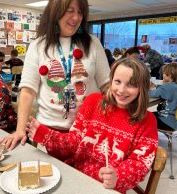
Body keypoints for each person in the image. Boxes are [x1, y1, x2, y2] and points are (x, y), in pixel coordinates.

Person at [0, 0, 110, 149]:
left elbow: (107, 87)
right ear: (56, 12)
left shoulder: (93, 43)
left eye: (80, 12)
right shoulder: (39, 45)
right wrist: (20, 129)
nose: (76, 18)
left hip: (87, 131)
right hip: (47, 131)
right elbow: (27, 92)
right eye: (69, 11)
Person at [26, 58, 158, 194]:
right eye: (117, 82)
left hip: (107, 188)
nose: (121, 90)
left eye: (131, 85)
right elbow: (74, 140)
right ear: (111, 80)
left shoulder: (148, 121)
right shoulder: (93, 101)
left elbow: (140, 165)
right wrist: (47, 136)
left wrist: (117, 177)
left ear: (142, 87)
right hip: (77, 175)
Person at [149, 63, 177, 130]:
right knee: (148, 115)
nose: (162, 75)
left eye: (164, 73)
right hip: (175, 122)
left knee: (141, 117)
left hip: (165, 121)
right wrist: (157, 86)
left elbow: (150, 94)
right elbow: (168, 90)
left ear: (170, 76)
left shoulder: (167, 88)